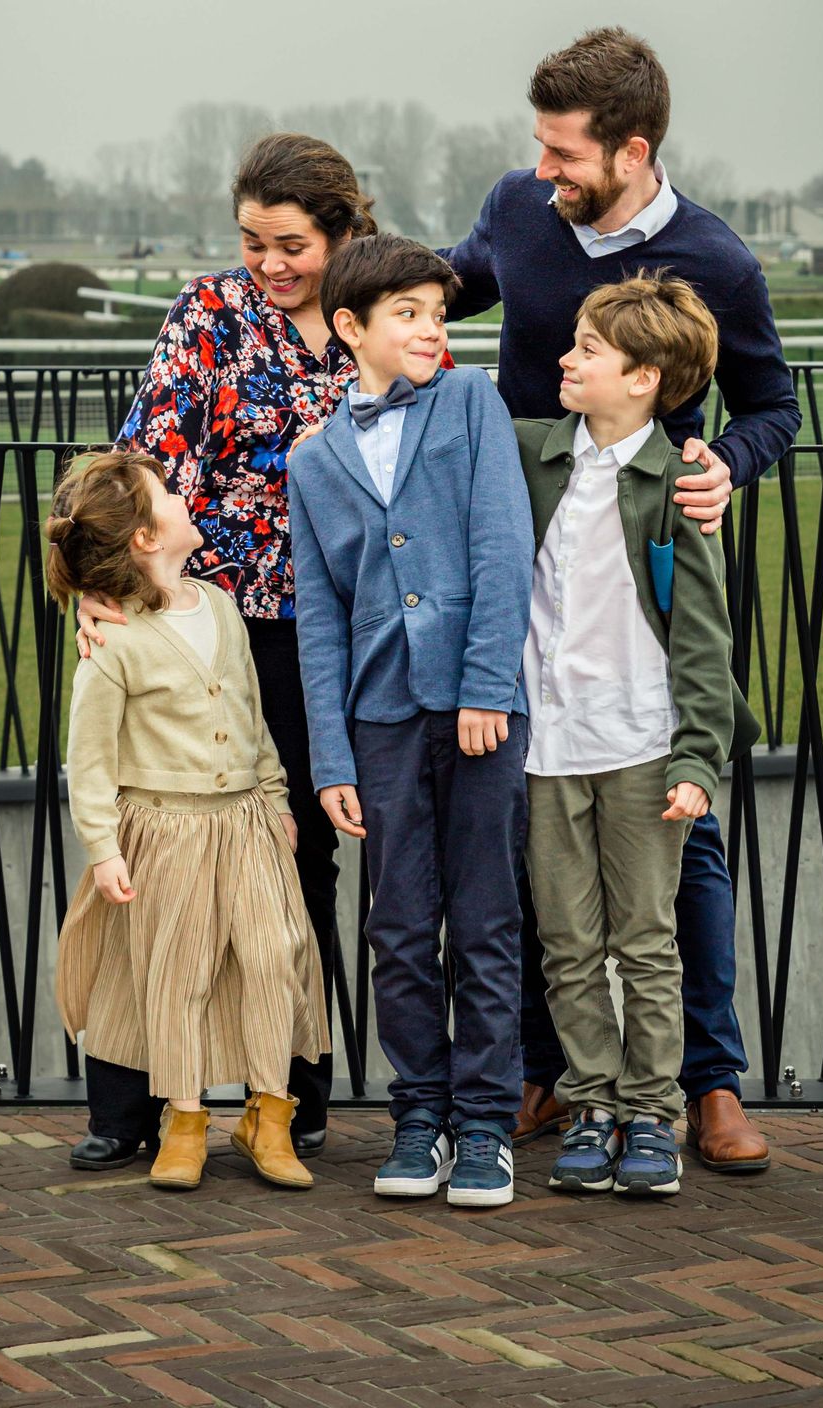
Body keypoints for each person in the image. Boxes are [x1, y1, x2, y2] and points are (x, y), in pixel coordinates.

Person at [441, 26, 800, 1172]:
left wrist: (721, 467)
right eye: (539, 148)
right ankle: (552, 1075)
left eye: (564, 155)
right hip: (523, 561)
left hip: (644, 567)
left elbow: (771, 407)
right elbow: (439, 290)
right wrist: (331, 283)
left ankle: (707, 1083)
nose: (541, 171)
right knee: (530, 839)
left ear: (631, 151)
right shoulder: (517, 207)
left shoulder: (716, 261)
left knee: (678, 846)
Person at [77, 134, 376, 1154]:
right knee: (153, 849)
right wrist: (103, 584)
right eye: (253, 241)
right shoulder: (208, 311)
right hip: (194, 621)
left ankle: (286, 1098)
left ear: (343, 232)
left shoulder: (375, 318)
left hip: (322, 635)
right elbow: (147, 457)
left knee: (296, 862)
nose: (269, 263)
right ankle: (129, 1108)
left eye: (291, 244)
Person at [288, 234, 534, 1209]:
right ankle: (419, 1115)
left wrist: (486, 686)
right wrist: (331, 756)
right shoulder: (312, 460)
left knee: (484, 921)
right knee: (396, 926)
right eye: (408, 314)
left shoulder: (470, 403)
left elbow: (501, 546)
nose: (432, 329)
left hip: (477, 713)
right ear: (350, 327)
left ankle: (485, 1125)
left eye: (437, 313)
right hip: (380, 719)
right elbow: (319, 617)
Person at [516, 274, 761, 1197]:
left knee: (648, 941)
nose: (565, 359)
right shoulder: (531, 453)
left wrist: (697, 756)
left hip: (643, 749)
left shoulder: (680, 484)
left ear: (645, 377)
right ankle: (591, 1105)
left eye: (587, 349)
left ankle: (654, 1113)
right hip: (547, 751)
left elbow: (702, 639)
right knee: (567, 943)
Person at [48, 451, 329, 1190]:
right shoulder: (113, 638)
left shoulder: (222, 606)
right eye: (168, 494)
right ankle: (184, 1118)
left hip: (246, 822)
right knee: (180, 974)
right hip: (165, 830)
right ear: (145, 537)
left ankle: (270, 1114)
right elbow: (91, 756)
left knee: (274, 957)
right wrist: (103, 848)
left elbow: (252, 717)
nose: (184, 496)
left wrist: (275, 796)